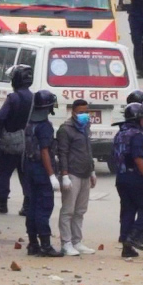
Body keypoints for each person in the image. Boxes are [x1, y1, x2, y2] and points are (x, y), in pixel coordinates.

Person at [113, 101, 143, 255]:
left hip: (121, 178)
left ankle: (127, 248)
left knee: (128, 209)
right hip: (136, 178)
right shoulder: (137, 135)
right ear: (138, 119)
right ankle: (134, 236)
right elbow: (138, 159)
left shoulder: (120, 133)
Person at [0, 64, 34, 215]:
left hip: (11, 140)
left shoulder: (13, 98)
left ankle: (2, 202)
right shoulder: (33, 97)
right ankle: (27, 206)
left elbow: (1, 116)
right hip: (28, 141)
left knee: (3, 172)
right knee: (24, 173)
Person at [54, 99, 96, 256]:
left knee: (80, 210)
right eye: (81, 112)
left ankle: (77, 241)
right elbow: (62, 153)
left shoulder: (85, 127)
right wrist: (64, 175)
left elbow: (88, 149)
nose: (84, 115)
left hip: (85, 172)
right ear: (73, 112)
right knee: (68, 210)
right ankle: (66, 242)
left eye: (86, 112)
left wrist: (92, 171)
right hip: (72, 173)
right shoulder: (65, 129)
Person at [22, 91, 59, 257]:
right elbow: (45, 151)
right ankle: (45, 245)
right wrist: (51, 175)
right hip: (41, 170)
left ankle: (32, 243)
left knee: (32, 207)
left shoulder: (28, 123)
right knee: (44, 207)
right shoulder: (45, 126)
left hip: (28, 168)